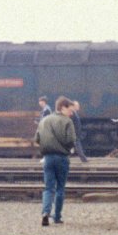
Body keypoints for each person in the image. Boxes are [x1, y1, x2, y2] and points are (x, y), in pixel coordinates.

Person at [35, 96, 77, 226]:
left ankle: (45, 213)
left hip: (47, 158)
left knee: (48, 188)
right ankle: (57, 217)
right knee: (60, 188)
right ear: (62, 107)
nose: (71, 113)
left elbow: (37, 139)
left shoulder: (44, 121)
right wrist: (68, 148)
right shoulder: (67, 122)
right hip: (62, 158)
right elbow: (71, 140)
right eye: (70, 110)